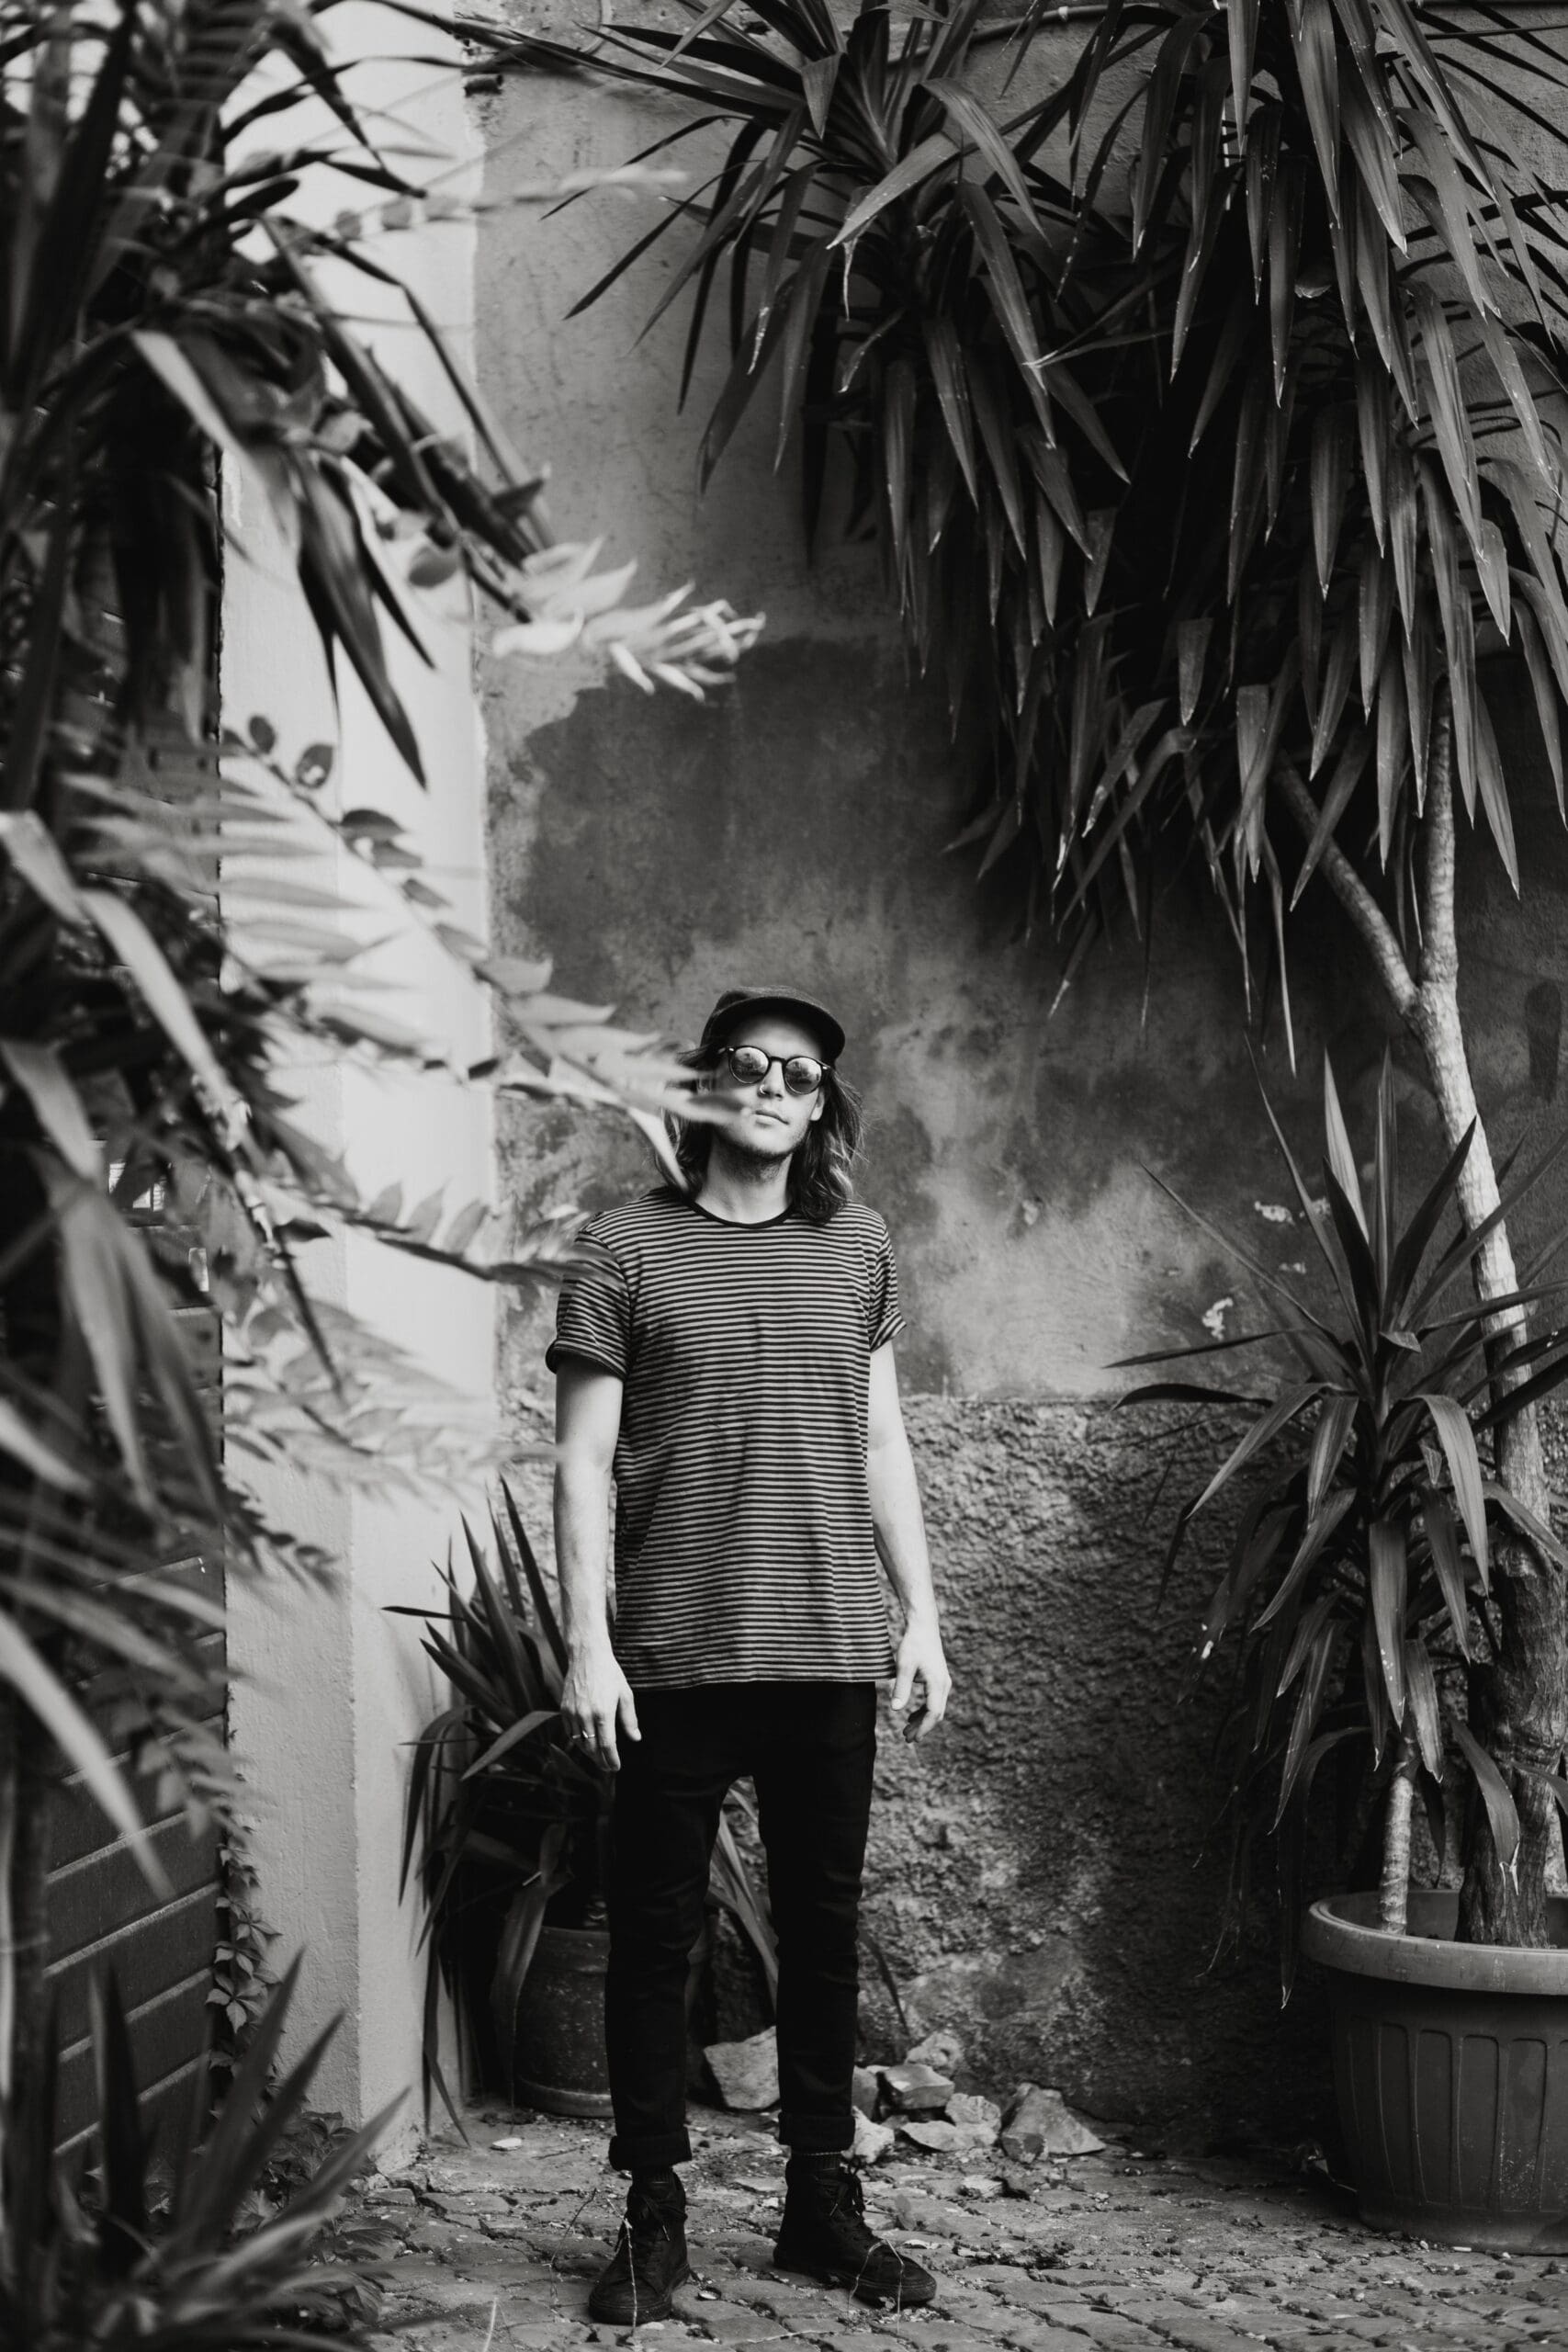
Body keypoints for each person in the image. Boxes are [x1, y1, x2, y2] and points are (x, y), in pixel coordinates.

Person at [548, 983, 953, 2325]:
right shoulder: (624, 1246)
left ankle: (820, 2206)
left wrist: (922, 1614)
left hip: (829, 1645)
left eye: (802, 1074)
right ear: (705, 1086)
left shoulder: (858, 1247)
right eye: (749, 1064)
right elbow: (581, 1461)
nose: (775, 1088)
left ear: (824, 1104)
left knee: (823, 1937)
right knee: (653, 1937)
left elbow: (881, 1441)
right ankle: (653, 2212)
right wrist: (589, 1646)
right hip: (672, 1653)